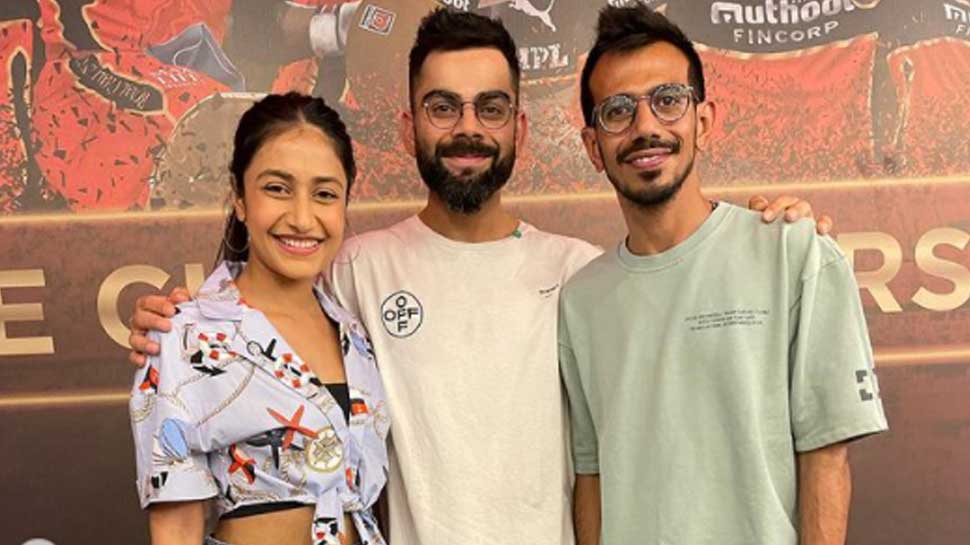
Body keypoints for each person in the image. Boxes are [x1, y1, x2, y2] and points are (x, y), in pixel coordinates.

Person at [128, 9, 833, 545]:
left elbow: (688, 289)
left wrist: (779, 228)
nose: (468, 128)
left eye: (491, 108)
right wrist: (177, 322)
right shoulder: (353, 272)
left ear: (519, 129)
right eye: (443, 107)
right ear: (408, 127)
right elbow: (257, 312)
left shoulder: (584, 276)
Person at [560, 6, 889, 545]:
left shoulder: (795, 252)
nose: (646, 127)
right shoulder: (580, 300)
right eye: (617, 111)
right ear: (594, 146)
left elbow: (826, 458)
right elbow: (592, 475)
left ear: (703, 121)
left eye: (668, 100)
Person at [129, 92, 389, 545]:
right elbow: (176, 527)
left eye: (325, 194)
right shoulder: (184, 335)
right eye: (277, 189)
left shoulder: (356, 334)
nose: (302, 218)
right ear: (240, 198)